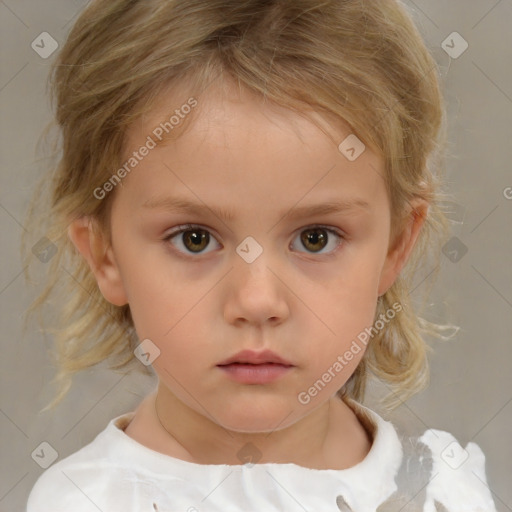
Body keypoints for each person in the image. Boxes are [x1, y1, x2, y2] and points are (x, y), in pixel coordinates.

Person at [24, 0, 497, 510]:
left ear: (396, 245)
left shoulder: (444, 491)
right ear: (105, 255)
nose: (256, 301)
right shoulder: (84, 501)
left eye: (315, 238)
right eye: (195, 239)